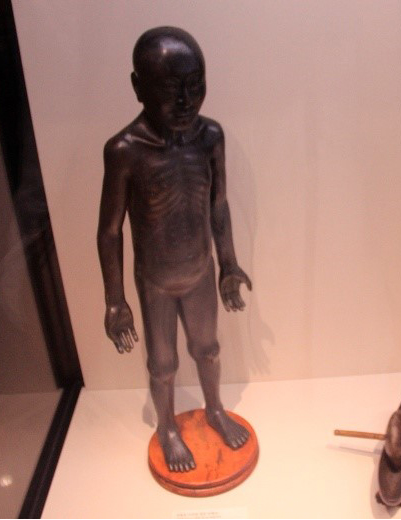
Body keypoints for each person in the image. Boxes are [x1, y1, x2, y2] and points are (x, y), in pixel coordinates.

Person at [97, 26, 252, 473]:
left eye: (196, 86)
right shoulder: (125, 150)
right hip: (156, 282)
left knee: (208, 349)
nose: (186, 102)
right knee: (162, 364)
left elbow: (218, 204)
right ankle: (166, 427)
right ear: (138, 87)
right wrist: (115, 301)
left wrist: (228, 264)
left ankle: (214, 409)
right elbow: (109, 231)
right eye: (169, 90)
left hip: (200, 270)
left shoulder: (210, 137)